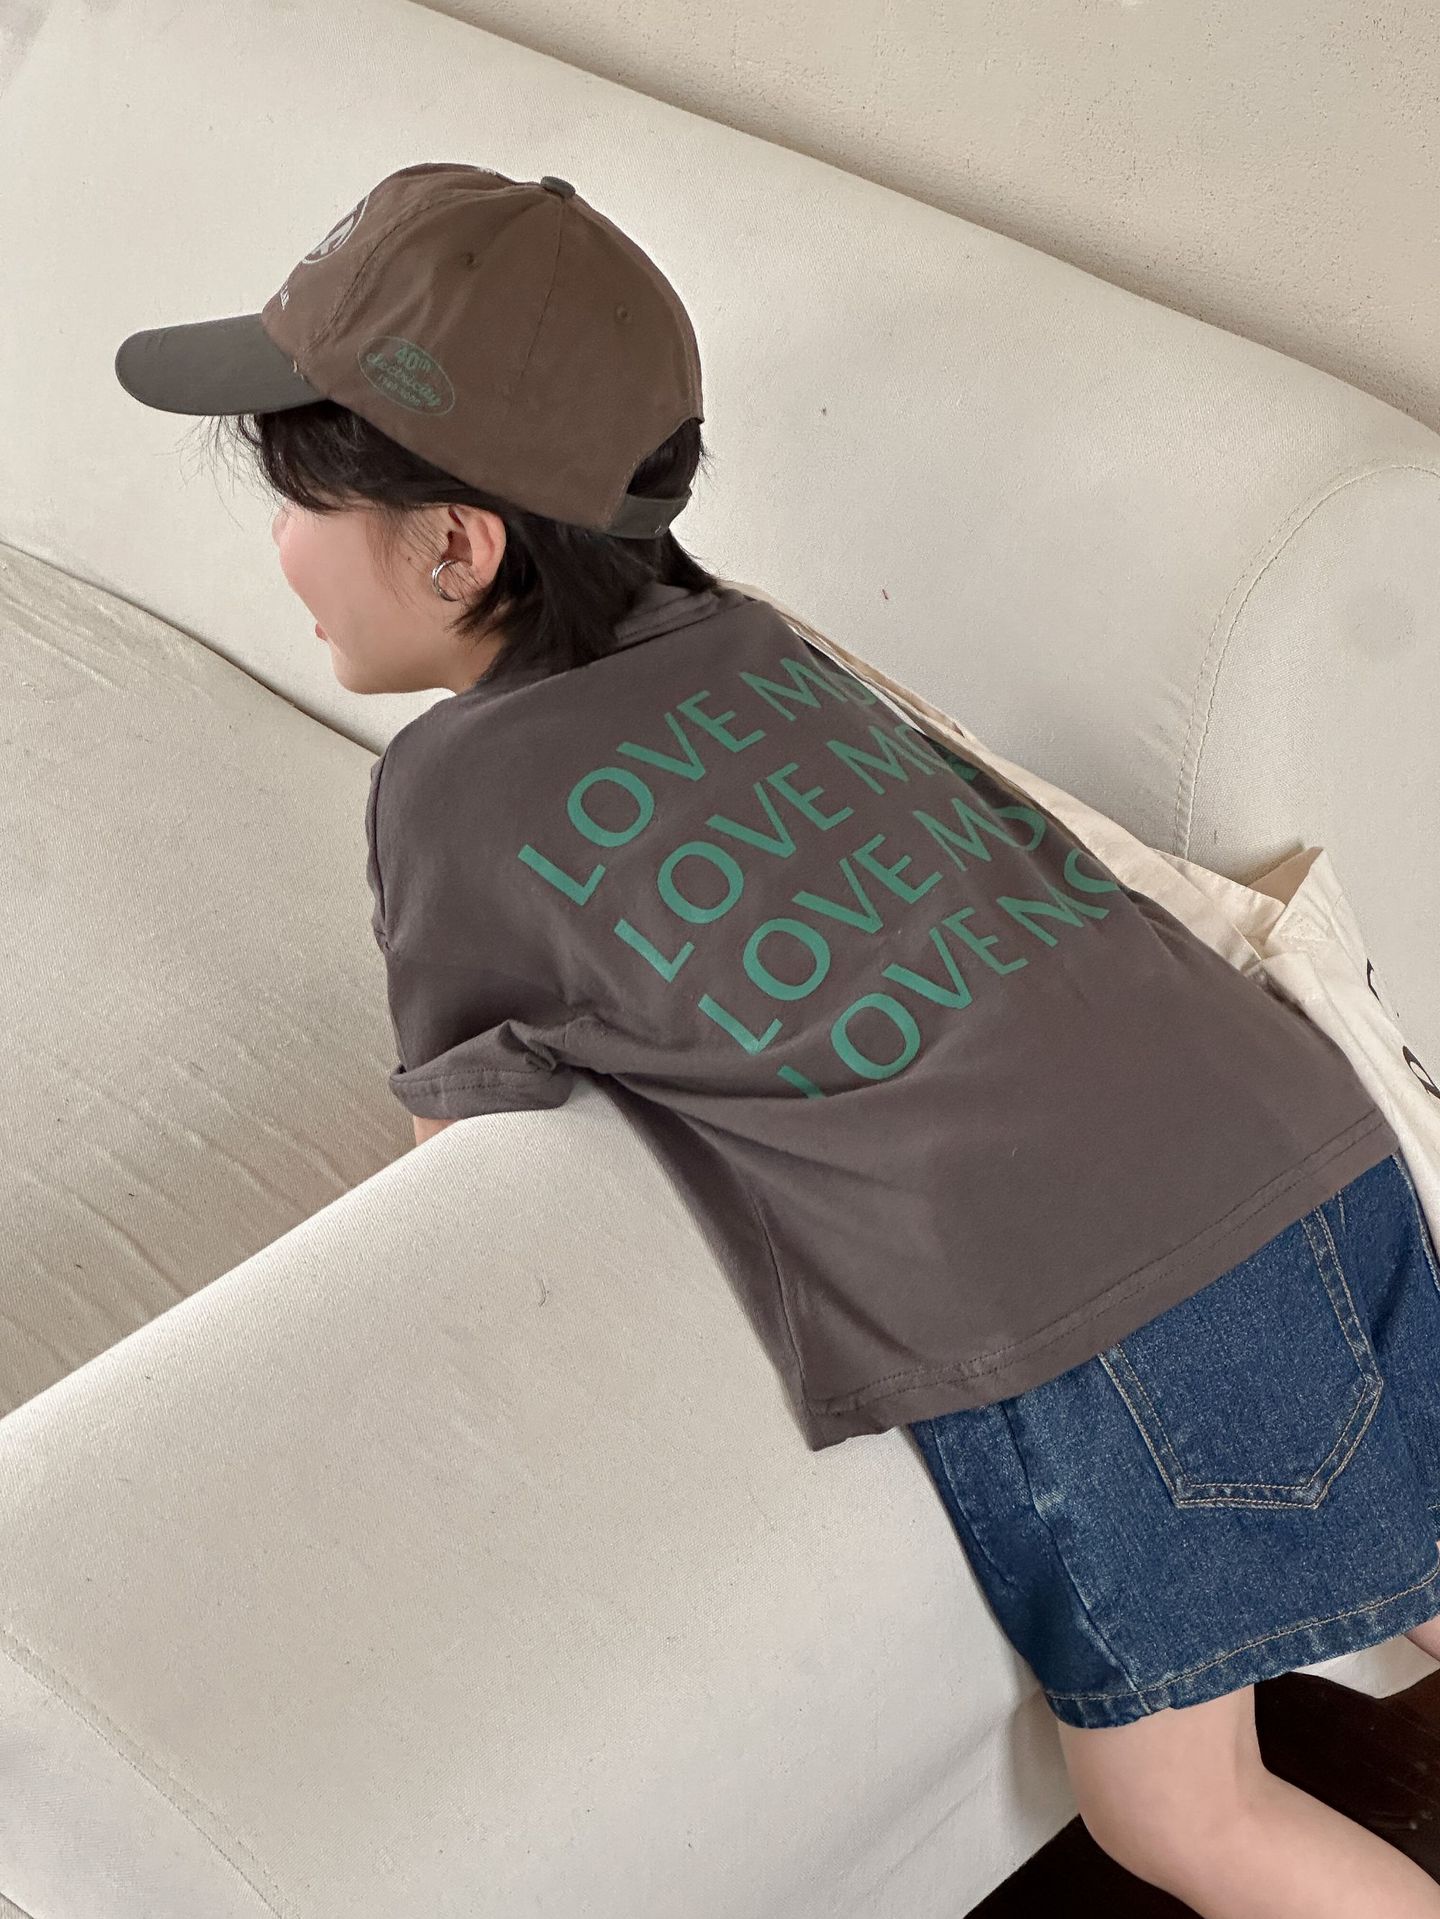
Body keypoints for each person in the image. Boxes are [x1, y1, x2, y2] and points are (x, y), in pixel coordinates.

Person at [116, 163, 1440, 1917]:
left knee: (1188, 1820)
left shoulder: (448, 797)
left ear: (454, 544)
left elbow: (465, 1164)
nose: (279, 547)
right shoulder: (755, 640)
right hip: (1306, 1137)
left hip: (1093, 1303)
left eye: (297, 500)